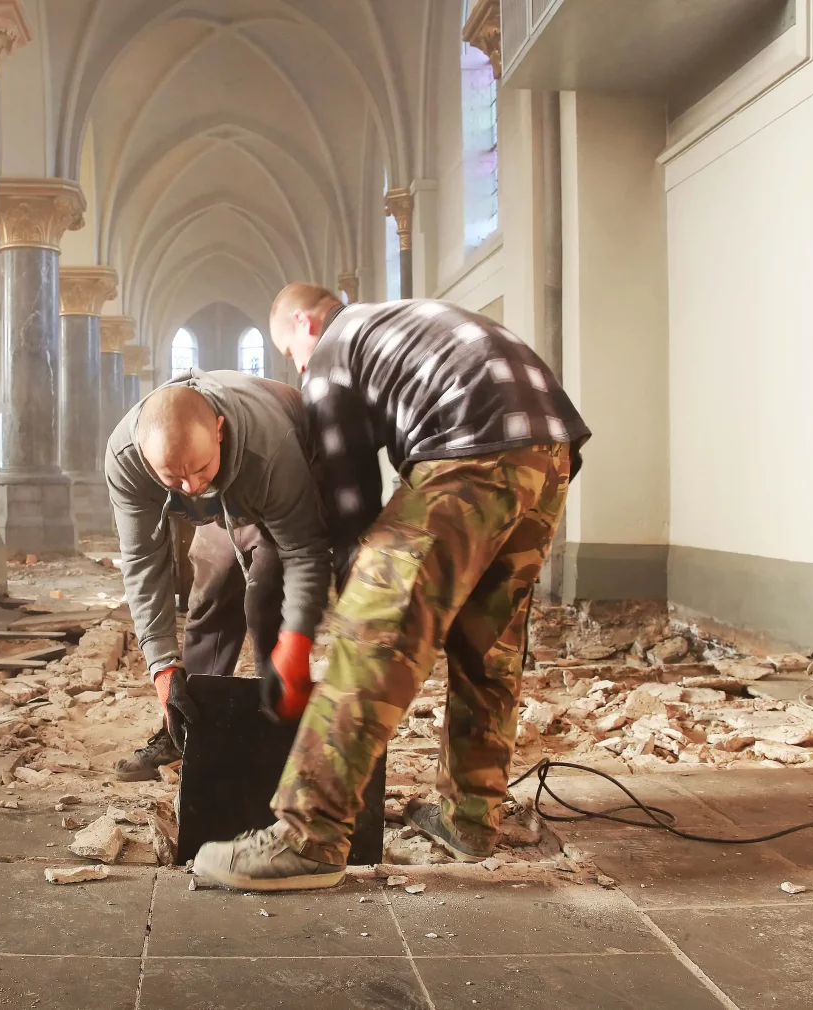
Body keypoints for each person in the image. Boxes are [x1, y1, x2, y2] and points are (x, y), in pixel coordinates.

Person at [193, 285, 590, 891]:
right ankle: (471, 820)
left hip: (467, 451)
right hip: (548, 448)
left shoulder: (333, 349)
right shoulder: (401, 324)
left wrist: (355, 605)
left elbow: (351, 505)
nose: (297, 369)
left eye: (289, 352)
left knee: (371, 629)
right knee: (488, 642)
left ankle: (309, 835)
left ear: (305, 322)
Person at [106, 369, 330, 781]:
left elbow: (305, 552)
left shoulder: (271, 447)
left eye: (200, 470)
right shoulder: (126, 459)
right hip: (230, 491)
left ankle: (282, 726)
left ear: (220, 431)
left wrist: (297, 643)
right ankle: (188, 728)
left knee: (266, 597)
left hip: (288, 478)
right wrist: (162, 667)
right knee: (210, 590)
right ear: (142, 453)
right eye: (173, 478)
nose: (189, 486)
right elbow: (142, 562)